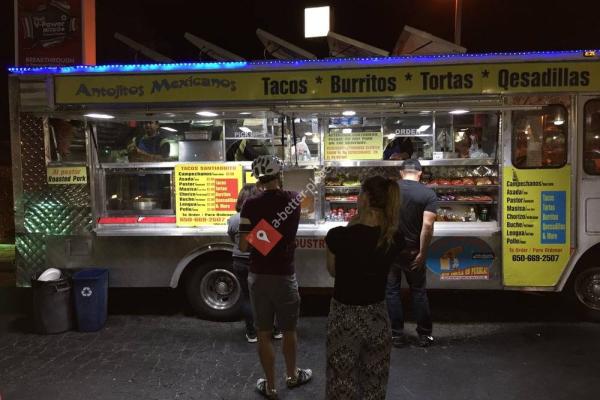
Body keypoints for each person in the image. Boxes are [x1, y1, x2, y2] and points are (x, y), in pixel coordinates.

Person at [239, 155, 312, 399]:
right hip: (284, 275)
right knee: (289, 329)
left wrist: (262, 236)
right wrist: (273, 234)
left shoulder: (249, 205)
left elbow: (242, 246)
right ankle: (292, 376)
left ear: (257, 179)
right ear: (280, 175)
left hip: (258, 275)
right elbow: (284, 229)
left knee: (263, 332)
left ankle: (270, 387)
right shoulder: (294, 199)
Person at [325, 175, 404, 400]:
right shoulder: (394, 238)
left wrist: (353, 223)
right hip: (378, 318)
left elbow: (333, 271)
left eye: (360, 193)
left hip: (344, 319)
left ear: (366, 198)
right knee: (374, 385)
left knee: (341, 385)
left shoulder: (337, 236)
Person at [386, 159, 437, 348]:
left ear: (401, 173)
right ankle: (424, 335)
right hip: (413, 251)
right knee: (418, 291)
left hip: (391, 250)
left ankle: (396, 335)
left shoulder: (389, 191)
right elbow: (427, 225)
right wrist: (423, 252)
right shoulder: (428, 193)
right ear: (420, 173)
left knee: (392, 291)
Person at [228, 183, 285, 343]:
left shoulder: (234, 219)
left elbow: (232, 237)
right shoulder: (265, 217)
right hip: (262, 262)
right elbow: (270, 243)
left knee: (248, 297)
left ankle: (252, 333)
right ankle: (275, 330)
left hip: (240, 261)